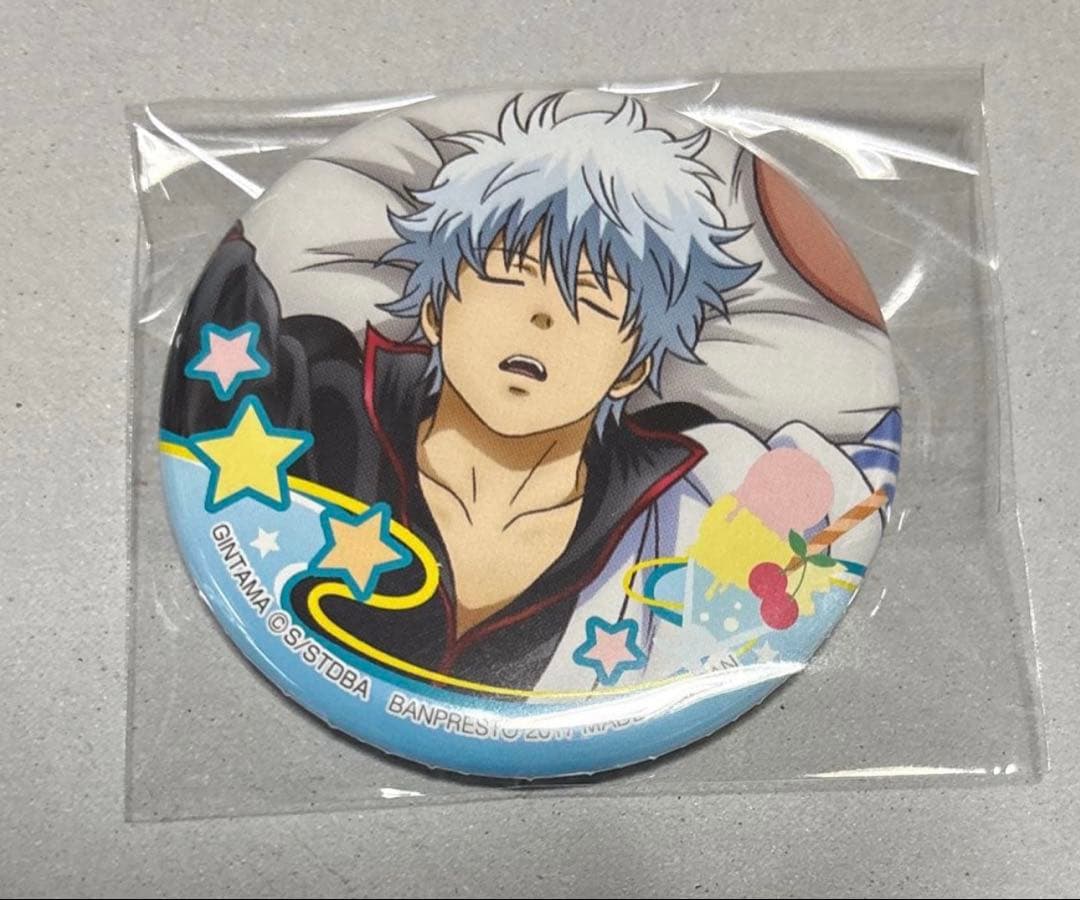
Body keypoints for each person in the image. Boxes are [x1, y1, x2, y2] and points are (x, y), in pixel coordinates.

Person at [162, 94, 898, 693]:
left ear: (631, 368)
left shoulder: (681, 508)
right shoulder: (320, 407)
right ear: (435, 309)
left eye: (592, 298)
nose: (542, 317)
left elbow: (842, 490)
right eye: (507, 274)